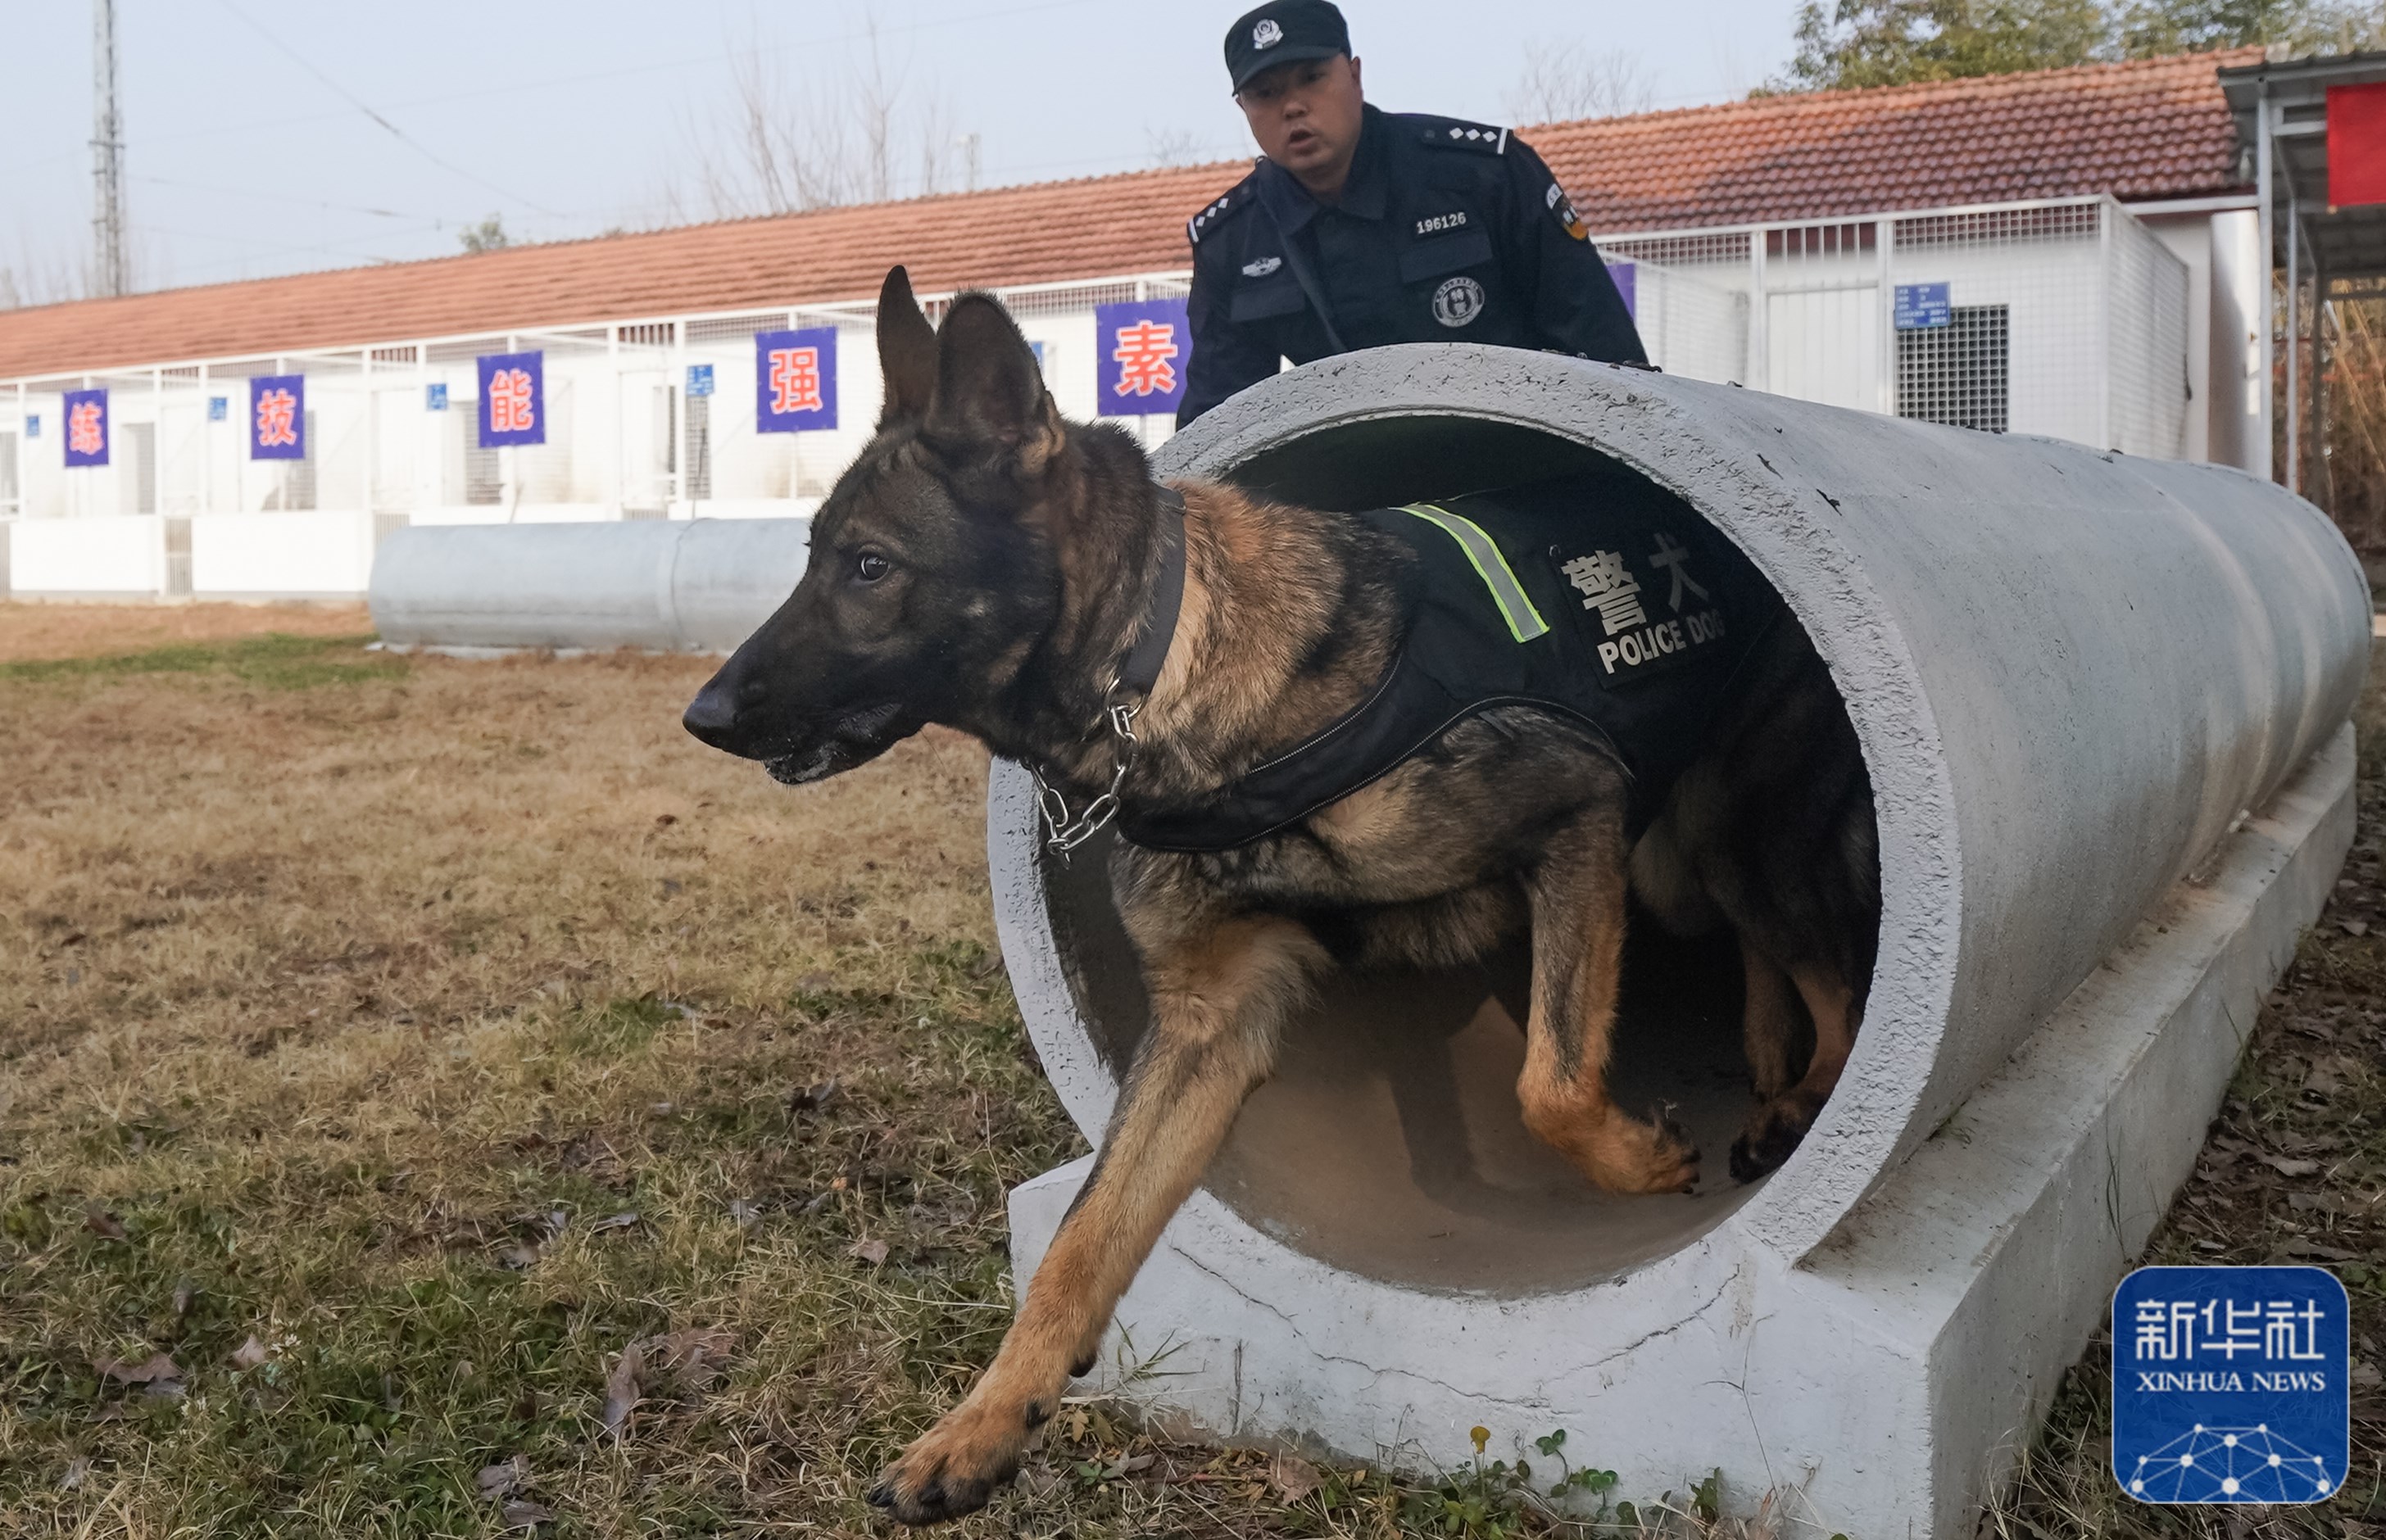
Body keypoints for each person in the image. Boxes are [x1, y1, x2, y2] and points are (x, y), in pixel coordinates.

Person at [1177, 0, 1649, 427]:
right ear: (1243, 107)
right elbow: (1217, 422)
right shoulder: (1233, 240)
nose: (1293, 107)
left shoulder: (1483, 175)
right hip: (1358, 474)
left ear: (1355, 76)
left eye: (1312, 78)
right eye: (1265, 93)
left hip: (1523, 452)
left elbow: (1604, 355)